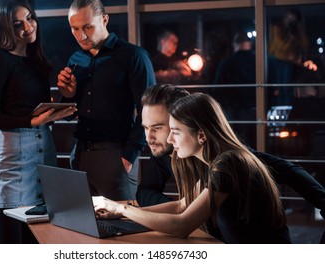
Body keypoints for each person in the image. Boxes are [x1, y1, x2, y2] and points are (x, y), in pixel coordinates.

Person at [95, 92, 291, 243]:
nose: (170, 139)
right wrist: (123, 212)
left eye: (176, 132)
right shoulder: (219, 161)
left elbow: (182, 226)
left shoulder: (227, 164)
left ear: (202, 135)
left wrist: (122, 209)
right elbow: (182, 205)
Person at [136, 84, 325, 224]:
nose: (149, 137)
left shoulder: (227, 160)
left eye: (158, 127)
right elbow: (148, 194)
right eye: (145, 128)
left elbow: (289, 171)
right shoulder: (166, 154)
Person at [0, 0, 76, 243]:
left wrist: (65, 99)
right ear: (5, 28)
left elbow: (43, 117)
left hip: (44, 151)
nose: (28, 27)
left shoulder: (37, 59)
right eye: (17, 24)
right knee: (13, 241)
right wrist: (29, 122)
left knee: (41, 239)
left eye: (30, 18)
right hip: (12, 157)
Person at [57, 0, 155, 201]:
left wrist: (129, 156)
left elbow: (150, 110)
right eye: (75, 29)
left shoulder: (134, 56)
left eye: (88, 27)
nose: (81, 35)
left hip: (116, 154)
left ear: (104, 20)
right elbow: (66, 115)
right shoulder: (76, 60)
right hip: (79, 154)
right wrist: (67, 96)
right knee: (82, 229)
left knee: (124, 229)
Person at [213, 31, 256, 147]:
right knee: (256, 143)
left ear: (235, 44)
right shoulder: (260, 62)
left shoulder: (227, 63)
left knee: (237, 144)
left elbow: (218, 90)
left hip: (234, 112)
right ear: (250, 44)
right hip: (256, 111)